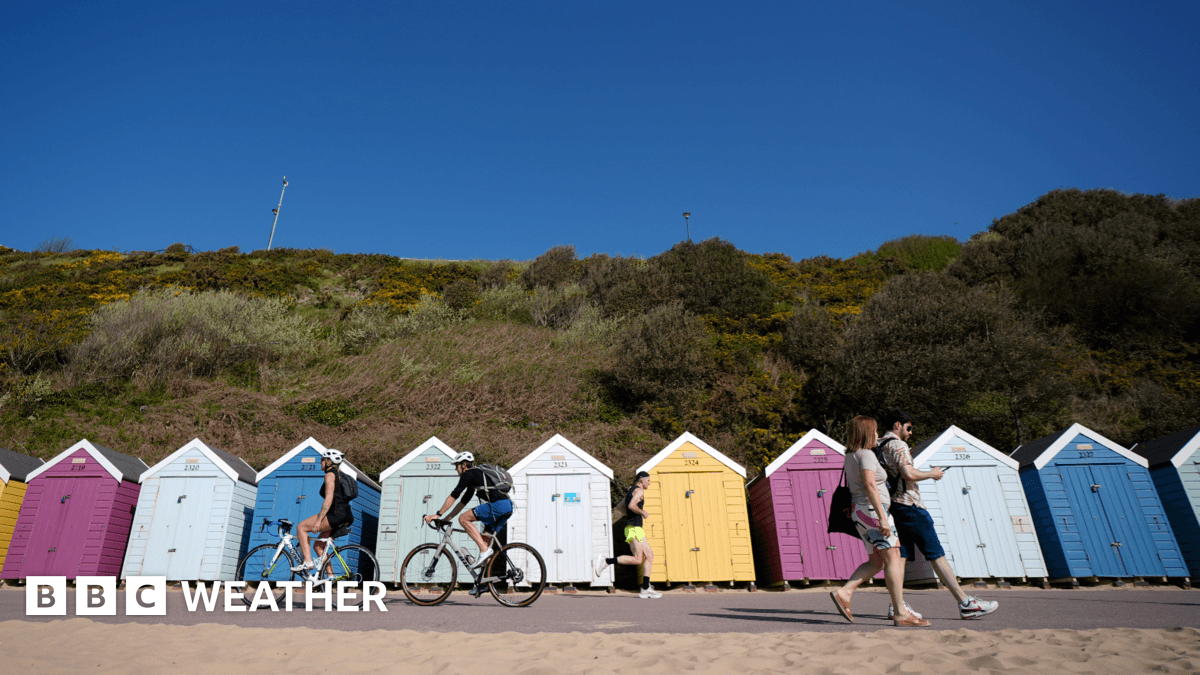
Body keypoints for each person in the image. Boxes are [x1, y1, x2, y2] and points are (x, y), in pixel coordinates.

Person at [877, 409, 998, 620]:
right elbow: (909, 473)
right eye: (909, 427)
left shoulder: (878, 445)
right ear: (898, 425)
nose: (911, 432)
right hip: (910, 505)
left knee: (900, 557)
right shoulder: (898, 444)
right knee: (936, 553)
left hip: (893, 507)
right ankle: (965, 603)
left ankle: (897, 605)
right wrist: (932, 474)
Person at [829, 416, 929, 626]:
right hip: (873, 512)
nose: (877, 435)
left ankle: (845, 592)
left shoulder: (851, 455)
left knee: (877, 561)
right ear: (866, 433)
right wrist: (883, 518)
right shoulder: (866, 454)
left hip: (860, 512)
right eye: (874, 431)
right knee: (893, 556)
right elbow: (869, 484)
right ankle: (901, 612)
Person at [423, 451, 513, 575]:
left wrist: (438, 514)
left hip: (498, 506)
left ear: (464, 464)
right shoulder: (475, 477)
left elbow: (454, 495)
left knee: (463, 519)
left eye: (457, 465)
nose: (456, 469)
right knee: (485, 543)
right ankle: (483, 583)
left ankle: (483, 551)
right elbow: (463, 501)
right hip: (507, 507)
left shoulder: (469, 474)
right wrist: (447, 518)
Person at [593, 471, 661, 599]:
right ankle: (606, 561)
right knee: (637, 559)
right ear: (641, 480)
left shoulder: (631, 490)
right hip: (634, 528)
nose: (649, 483)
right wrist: (642, 513)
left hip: (635, 528)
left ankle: (646, 588)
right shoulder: (639, 491)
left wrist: (631, 515)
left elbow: (620, 507)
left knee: (649, 556)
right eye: (648, 481)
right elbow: (631, 505)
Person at [292, 448, 354, 573]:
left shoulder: (330, 475)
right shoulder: (339, 475)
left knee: (301, 528)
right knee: (319, 546)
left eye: (322, 460)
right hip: (346, 514)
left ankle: (308, 562)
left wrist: (318, 521)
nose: (320, 462)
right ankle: (330, 576)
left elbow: (329, 498)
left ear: (329, 462)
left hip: (336, 515)